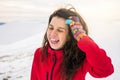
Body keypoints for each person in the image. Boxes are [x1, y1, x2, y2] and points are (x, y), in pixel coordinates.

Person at [31, 6, 114, 80]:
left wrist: (82, 37)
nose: (52, 34)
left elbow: (106, 70)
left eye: (60, 30)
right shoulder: (39, 54)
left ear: (70, 36)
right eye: (51, 28)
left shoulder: (80, 57)